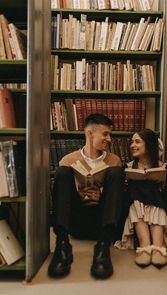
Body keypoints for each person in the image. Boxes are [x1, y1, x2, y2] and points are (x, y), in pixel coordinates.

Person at [48, 113, 125, 279]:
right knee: (62, 172)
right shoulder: (68, 160)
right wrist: (79, 193)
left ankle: (103, 248)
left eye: (109, 134)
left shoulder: (114, 160)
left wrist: (101, 193)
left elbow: (116, 196)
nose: (109, 139)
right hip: (76, 222)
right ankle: (62, 245)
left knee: (117, 173)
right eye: (105, 134)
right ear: (90, 134)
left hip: (103, 223)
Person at [115, 128, 167, 268]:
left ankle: (157, 246)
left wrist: (161, 189)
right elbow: (122, 199)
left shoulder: (166, 168)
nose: (132, 145)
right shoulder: (126, 168)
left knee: (151, 191)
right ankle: (145, 245)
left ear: (149, 144)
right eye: (131, 142)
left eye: (137, 141)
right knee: (137, 191)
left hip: (160, 214)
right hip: (134, 217)